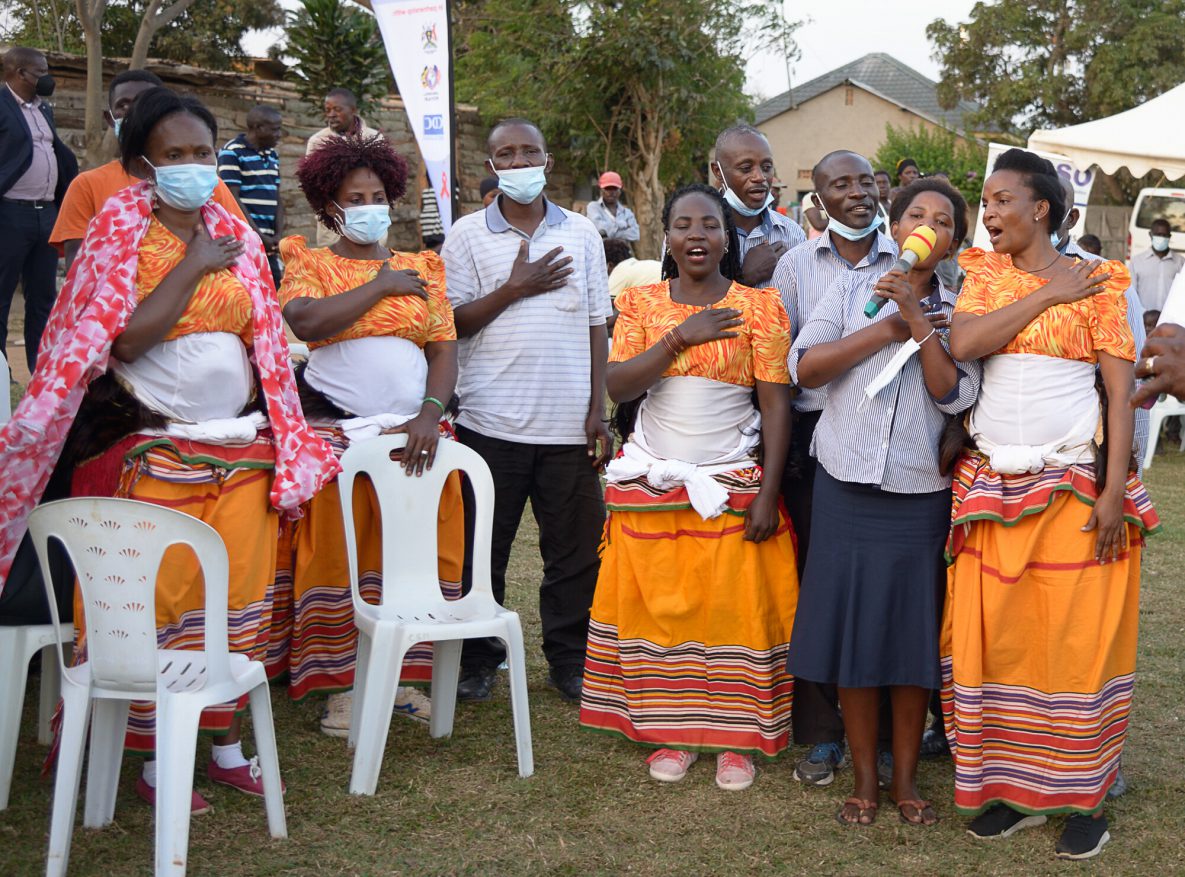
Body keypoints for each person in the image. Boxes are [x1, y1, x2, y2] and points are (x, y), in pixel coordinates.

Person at [0, 87, 338, 814]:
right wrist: (192, 264)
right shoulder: (122, 232)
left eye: (202, 153)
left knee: (237, 596)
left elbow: (263, 340)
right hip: (149, 448)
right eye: (175, 155)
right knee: (164, 600)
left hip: (238, 450)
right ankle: (156, 758)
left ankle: (221, 746)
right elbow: (124, 339)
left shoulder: (237, 237)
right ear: (142, 166)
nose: (193, 166)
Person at [943, 149, 1160, 859]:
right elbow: (965, 340)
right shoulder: (982, 275)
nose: (989, 212)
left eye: (1001, 199)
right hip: (992, 489)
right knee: (1003, 642)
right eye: (986, 200)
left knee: (1074, 644)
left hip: (1070, 484)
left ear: (1039, 207)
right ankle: (1014, 794)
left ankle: (1084, 800)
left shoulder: (1102, 283)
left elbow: (1119, 393)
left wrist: (1108, 490)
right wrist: (1044, 293)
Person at [579, 183, 797, 791]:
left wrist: (768, 492)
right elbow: (619, 387)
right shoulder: (643, 304)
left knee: (730, 608)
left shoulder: (760, 306)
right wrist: (680, 337)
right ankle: (672, 730)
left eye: (709, 225)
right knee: (664, 608)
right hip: (654, 477)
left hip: (729, 477)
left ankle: (735, 740)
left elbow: (776, 406)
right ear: (667, 238)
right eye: (683, 225)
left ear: (727, 238)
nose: (696, 235)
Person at [787, 179, 980, 827]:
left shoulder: (963, 307)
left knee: (906, 642)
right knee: (853, 641)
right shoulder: (847, 290)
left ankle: (905, 782)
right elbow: (805, 367)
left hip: (917, 497)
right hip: (842, 487)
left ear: (953, 239)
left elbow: (953, 396)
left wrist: (918, 324)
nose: (929, 225)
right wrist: (883, 326)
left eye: (943, 220)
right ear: (895, 229)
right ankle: (863, 780)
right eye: (916, 215)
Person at [274, 134, 459, 735]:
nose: (369, 205)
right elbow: (302, 320)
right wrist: (378, 285)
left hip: (416, 431)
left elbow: (444, 349)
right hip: (339, 432)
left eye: (378, 195)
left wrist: (431, 412)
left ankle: (404, 676)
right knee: (340, 552)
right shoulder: (311, 262)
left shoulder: (423, 265)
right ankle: (342, 686)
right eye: (355, 197)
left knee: (411, 553)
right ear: (331, 205)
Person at [441, 118, 612, 703]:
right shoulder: (465, 235)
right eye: (506, 155)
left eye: (529, 152)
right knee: (482, 550)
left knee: (573, 552)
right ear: (491, 166)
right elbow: (453, 324)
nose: (519, 163)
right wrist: (516, 287)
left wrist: (598, 408)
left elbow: (597, 323)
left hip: (569, 422)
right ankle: (478, 658)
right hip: (489, 421)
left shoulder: (584, 233)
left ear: (547, 158)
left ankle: (569, 660)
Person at [770, 149, 898, 788]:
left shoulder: (908, 258)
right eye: (839, 185)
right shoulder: (796, 266)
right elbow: (785, 360)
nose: (857, 194)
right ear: (817, 200)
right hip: (816, 436)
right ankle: (823, 733)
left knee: (886, 588)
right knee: (821, 585)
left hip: (893, 438)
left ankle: (881, 733)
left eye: (865, 182)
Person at [50, 69, 246, 272]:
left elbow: (241, 252)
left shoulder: (204, 184)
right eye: (124, 105)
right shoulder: (87, 185)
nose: (135, 112)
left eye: (145, 103)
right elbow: (80, 270)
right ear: (109, 119)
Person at [0, 47, 78, 372]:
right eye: (40, 72)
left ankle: (41, 369)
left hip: (46, 214)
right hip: (9, 214)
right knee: (1, 297)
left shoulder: (42, 108)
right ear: (19, 73)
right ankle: (2, 374)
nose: (47, 79)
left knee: (43, 298)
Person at [711, 125, 805, 288]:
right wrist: (744, 279)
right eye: (746, 169)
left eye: (767, 168)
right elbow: (679, 308)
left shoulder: (792, 234)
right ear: (718, 171)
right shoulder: (694, 234)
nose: (760, 177)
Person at [306, 88, 383, 246]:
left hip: (369, 221)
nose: (331, 114)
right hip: (334, 224)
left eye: (337, 109)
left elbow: (385, 181)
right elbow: (311, 185)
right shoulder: (318, 141)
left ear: (353, 110)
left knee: (374, 268)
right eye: (327, 110)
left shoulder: (374, 138)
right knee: (336, 269)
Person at [218, 104, 285, 286]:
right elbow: (231, 199)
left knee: (274, 289)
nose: (279, 134)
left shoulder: (272, 155)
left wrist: (278, 235)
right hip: (244, 238)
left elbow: (277, 196)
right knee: (248, 289)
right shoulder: (232, 152)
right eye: (275, 129)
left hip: (269, 240)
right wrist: (258, 235)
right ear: (257, 128)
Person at [1131, 218, 1184, 311]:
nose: (1162, 238)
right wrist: (1141, 313)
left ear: (1170, 236)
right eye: (1158, 235)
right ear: (1150, 235)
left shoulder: (1180, 262)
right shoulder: (1137, 261)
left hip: (1170, 319)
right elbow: (1131, 293)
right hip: (1144, 319)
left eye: (1165, 235)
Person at [585, 171, 639, 242]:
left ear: (620, 190)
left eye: (614, 188)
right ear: (601, 190)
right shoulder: (593, 207)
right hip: (599, 252)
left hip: (621, 252)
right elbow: (598, 229)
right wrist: (621, 225)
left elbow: (635, 235)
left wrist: (607, 232)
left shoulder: (627, 213)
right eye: (607, 188)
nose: (611, 192)